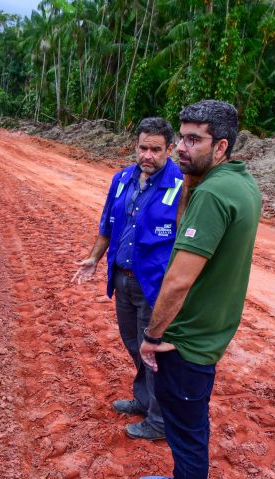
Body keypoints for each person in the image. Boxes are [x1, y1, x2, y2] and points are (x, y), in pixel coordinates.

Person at [132, 101, 262, 479]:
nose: (182, 148)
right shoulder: (239, 183)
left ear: (220, 145)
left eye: (193, 140)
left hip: (186, 341)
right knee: (188, 427)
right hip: (209, 331)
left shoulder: (211, 194)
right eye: (181, 138)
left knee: (188, 434)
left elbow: (178, 281)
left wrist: (152, 335)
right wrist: (191, 178)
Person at [73, 117, 183, 441]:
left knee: (154, 351)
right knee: (134, 344)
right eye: (142, 147)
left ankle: (160, 421)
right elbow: (107, 225)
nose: (147, 155)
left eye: (155, 149)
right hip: (122, 278)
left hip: (155, 285)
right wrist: (94, 258)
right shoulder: (122, 180)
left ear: (169, 149)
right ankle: (145, 399)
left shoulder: (182, 187)